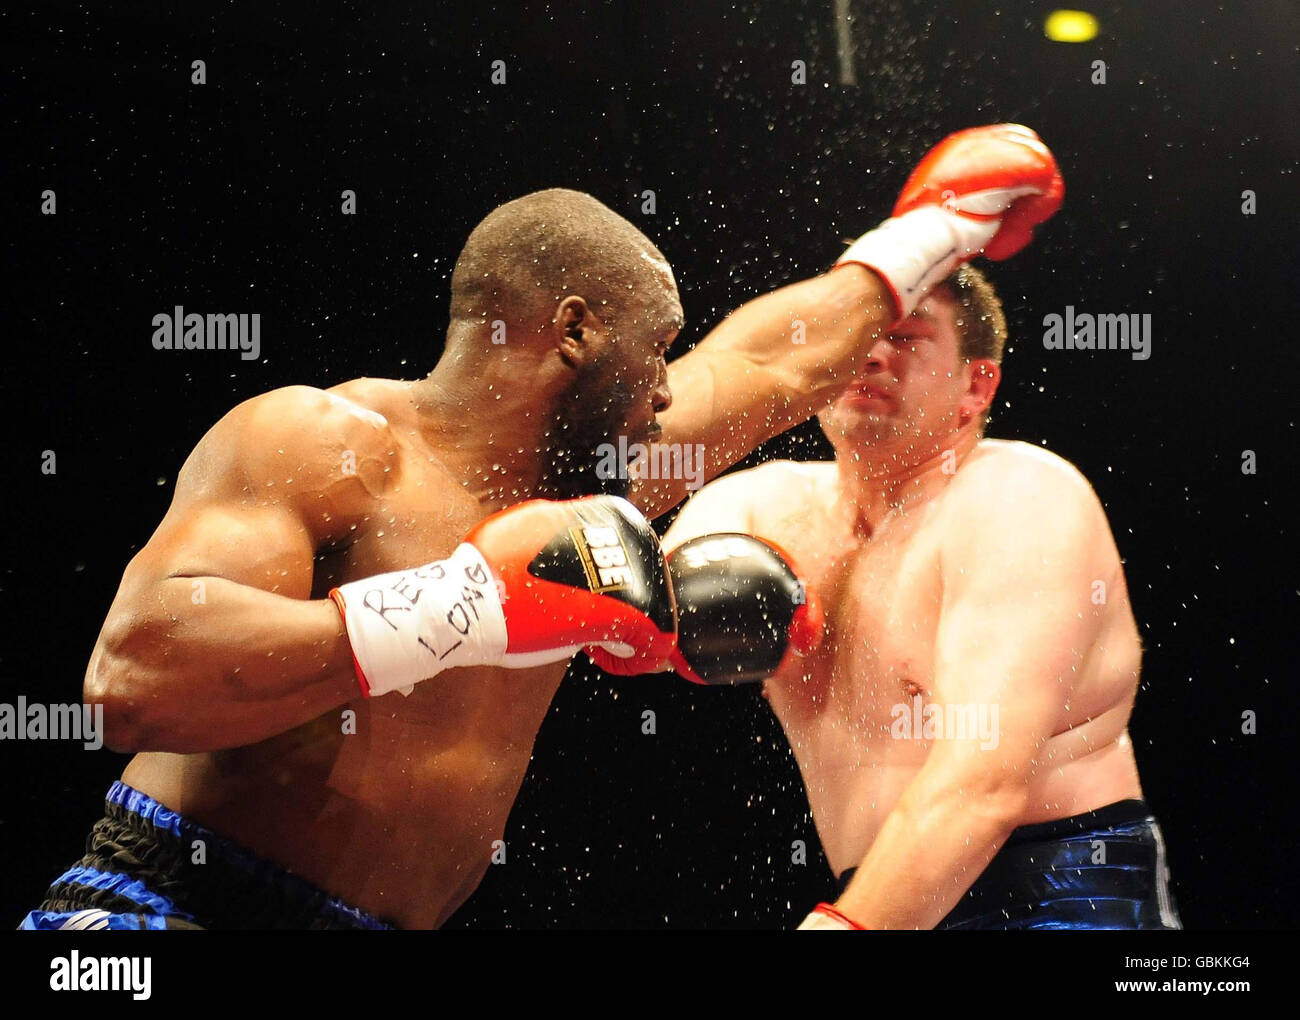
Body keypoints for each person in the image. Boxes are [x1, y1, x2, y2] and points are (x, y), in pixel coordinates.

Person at [20, 124, 1062, 929]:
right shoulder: (322, 442)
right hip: (167, 903)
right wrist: (459, 606)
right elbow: (135, 683)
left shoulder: (595, 481)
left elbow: (775, 366)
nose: (667, 388)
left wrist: (934, 231)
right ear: (573, 331)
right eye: (656, 350)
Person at [659, 132, 1179, 929]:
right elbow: (637, 581)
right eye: (860, 337)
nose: (873, 355)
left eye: (907, 339)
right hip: (878, 895)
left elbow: (985, 783)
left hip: (1058, 890)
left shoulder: (1019, 498)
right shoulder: (761, 507)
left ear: (978, 386)